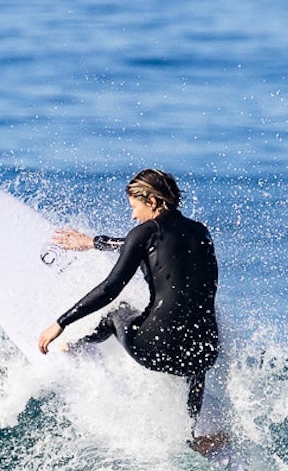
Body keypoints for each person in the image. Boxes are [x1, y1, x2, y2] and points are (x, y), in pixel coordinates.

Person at [37, 169, 220, 436]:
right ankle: (190, 433)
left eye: (135, 207)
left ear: (153, 202)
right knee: (196, 327)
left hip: (157, 349)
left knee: (118, 311)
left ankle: (75, 345)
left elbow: (110, 288)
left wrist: (61, 322)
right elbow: (140, 245)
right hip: (203, 354)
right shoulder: (200, 232)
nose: (133, 215)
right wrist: (92, 243)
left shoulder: (144, 232)